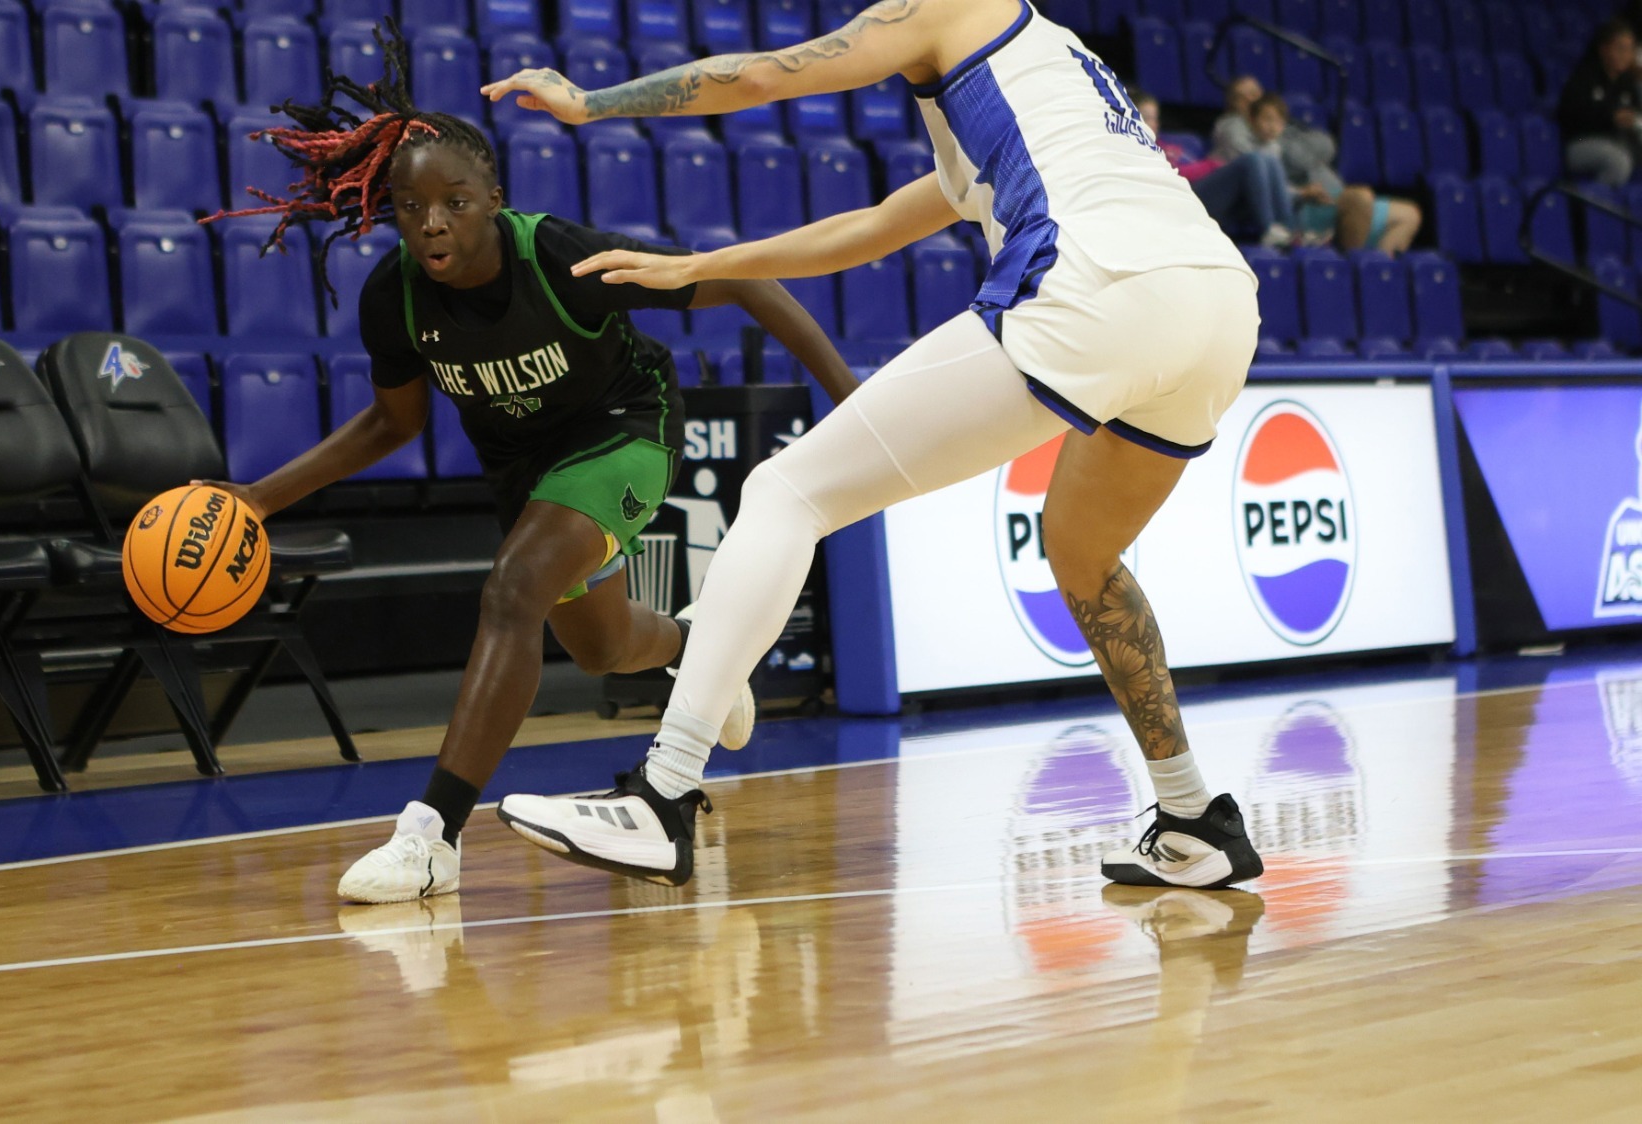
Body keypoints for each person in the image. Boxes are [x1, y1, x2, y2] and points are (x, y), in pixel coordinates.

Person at [482, 0, 1267, 891]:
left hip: (1099, 285)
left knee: (786, 493)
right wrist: (702, 267)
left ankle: (661, 799)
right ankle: (1195, 815)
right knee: (1085, 556)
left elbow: (768, 74)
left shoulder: (948, 7)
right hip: (1216, 305)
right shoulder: (1044, 72)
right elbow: (878, 225)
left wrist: (591, 102)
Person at [203, 26, 858, 904]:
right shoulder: (392, 297)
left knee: (513, 587)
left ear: (492, 199)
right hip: (527, 469)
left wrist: (851, 405)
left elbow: (744, 281)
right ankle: (706, 652)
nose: (431, 223)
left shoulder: (560, 258)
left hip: (625, 429)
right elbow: (388, 426)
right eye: (410, 207)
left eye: (455, 203)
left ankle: (432, 834)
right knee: (603, 647)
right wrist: (255, 499)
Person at [1252, 94, 1422, 253]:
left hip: (1334, 195)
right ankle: (1353, 267)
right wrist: (1303, 192)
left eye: (1278, 121)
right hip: (1306, 206)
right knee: (1360, 197)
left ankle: (1378, 269)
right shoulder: (1255, 152)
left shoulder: (1291, 138)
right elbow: (1274, 186)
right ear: (1253, 121)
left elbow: (1329, 146)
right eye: (1267, 119)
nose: (1272, 126)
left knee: (1409, 215)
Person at [1137, 91, 1293, 249]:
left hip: (1212, 195)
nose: (1153, 123)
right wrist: (1210, 165)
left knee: (1270, 159)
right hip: (1187, 201)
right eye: (1146, 117)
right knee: (1253, 160)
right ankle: (1268, 229)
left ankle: (1288, 229)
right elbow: (1171, 175)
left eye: (1155, 118)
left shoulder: (1173, 145)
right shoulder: (1138, 150)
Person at [1559, 18, 1642, 187]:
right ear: (1604, 49)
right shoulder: (1585, 76)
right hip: (1581, 141)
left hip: (1617, 140)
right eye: (1620, 48)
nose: (1625, 55)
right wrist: (1611, 117)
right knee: (1617, 160)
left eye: (1629, 50)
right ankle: (1592, 208)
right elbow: (1570, 115)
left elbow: (1635, 113)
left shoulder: (1627, 83)